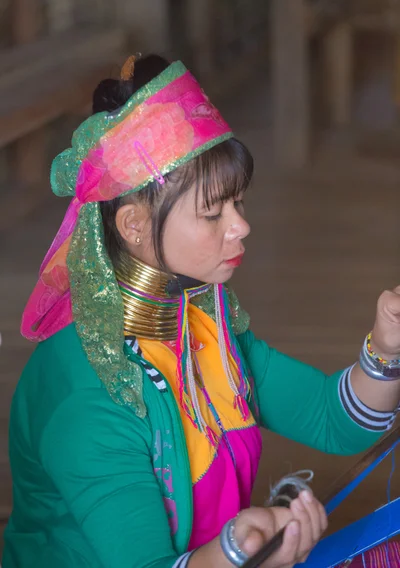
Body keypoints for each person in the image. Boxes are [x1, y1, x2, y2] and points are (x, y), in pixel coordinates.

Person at [2, 55, 400, 568]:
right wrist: (239, 551)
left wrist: (386, 349)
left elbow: (332, 420)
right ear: (134, 226)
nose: (241, 227)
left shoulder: (202, 328)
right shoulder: (92, 397)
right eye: (213, 213)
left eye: (239, 204)